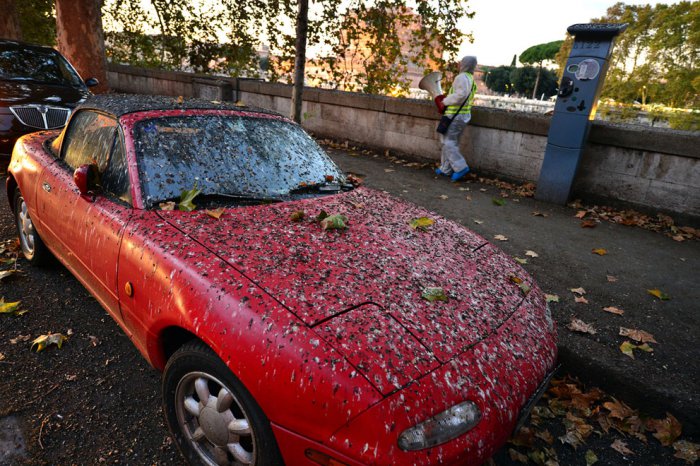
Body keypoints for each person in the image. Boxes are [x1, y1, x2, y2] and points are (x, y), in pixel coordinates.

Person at [434, 56, 478, 182]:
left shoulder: (461, 77)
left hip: (455, 115)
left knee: (448, 142)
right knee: (451, 141)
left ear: (464, 64)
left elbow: (461, 95)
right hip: (462, 115)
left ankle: (460, 167)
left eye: (461, 62)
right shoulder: (470, 78)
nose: (459, 64)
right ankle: (445, 169)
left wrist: (445, 101)